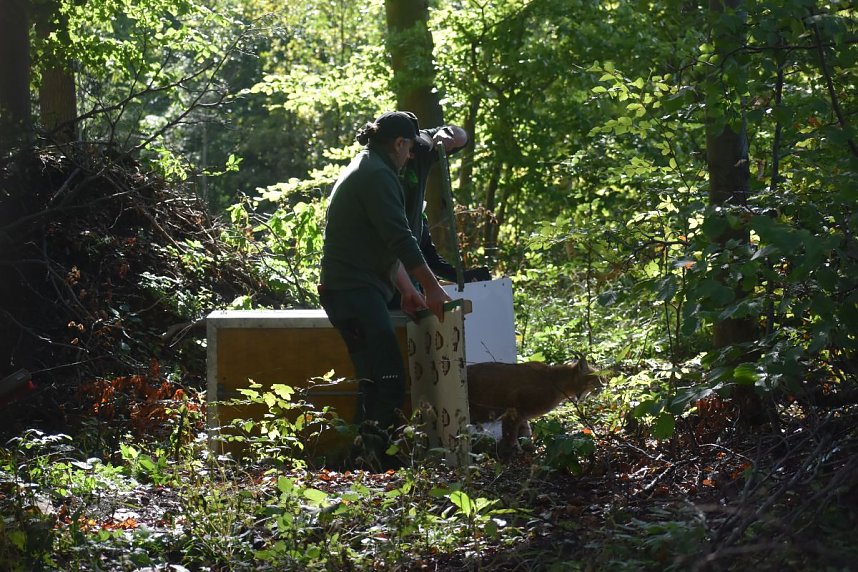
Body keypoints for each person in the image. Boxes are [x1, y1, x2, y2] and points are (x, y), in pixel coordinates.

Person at [319, 111, 452, 466]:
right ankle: (376, 463)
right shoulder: (377, 176)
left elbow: (380, 245)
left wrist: (408, 290)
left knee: (375, 378)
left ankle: (361, 457)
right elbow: (401, 239)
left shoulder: (369, 165)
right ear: (399, 143)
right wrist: (433, 289)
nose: (411, 157)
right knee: (390, 377)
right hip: (353, 291)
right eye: (409, 149)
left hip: (355, 289)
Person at [398, 118, 491, 288]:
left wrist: (447, 134)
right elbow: (420, 141)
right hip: (396, 229)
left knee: (433, 261)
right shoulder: (422, 143)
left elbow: (460, 138)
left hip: (415, 220)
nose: (450, 143)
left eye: (455, 145)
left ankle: (467, 280)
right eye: (450, 135)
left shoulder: (428, 152)